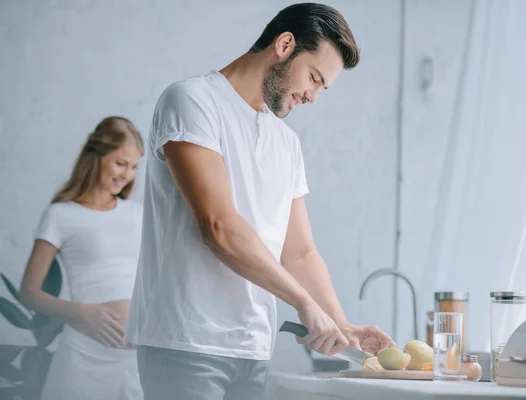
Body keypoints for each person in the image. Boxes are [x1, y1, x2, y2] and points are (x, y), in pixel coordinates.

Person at [125, 3, 395, 399]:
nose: (313, 97)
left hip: (252, 350)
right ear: (285, 44)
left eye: (323, 88)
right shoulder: (192, 102)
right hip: (185, 343)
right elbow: (218, 227)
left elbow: (300, 252)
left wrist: (341, 324)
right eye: (314, 78)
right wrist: (303, 304)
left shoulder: (286, 143)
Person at [20, 116, 145, 400]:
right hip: (85, 357)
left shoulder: (137, 214)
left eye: (134, 167)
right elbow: (29, 293)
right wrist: (84, 312)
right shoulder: (61, 215)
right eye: (120, 163)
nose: (127, 174)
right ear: (97, 156)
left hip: (136, 362)